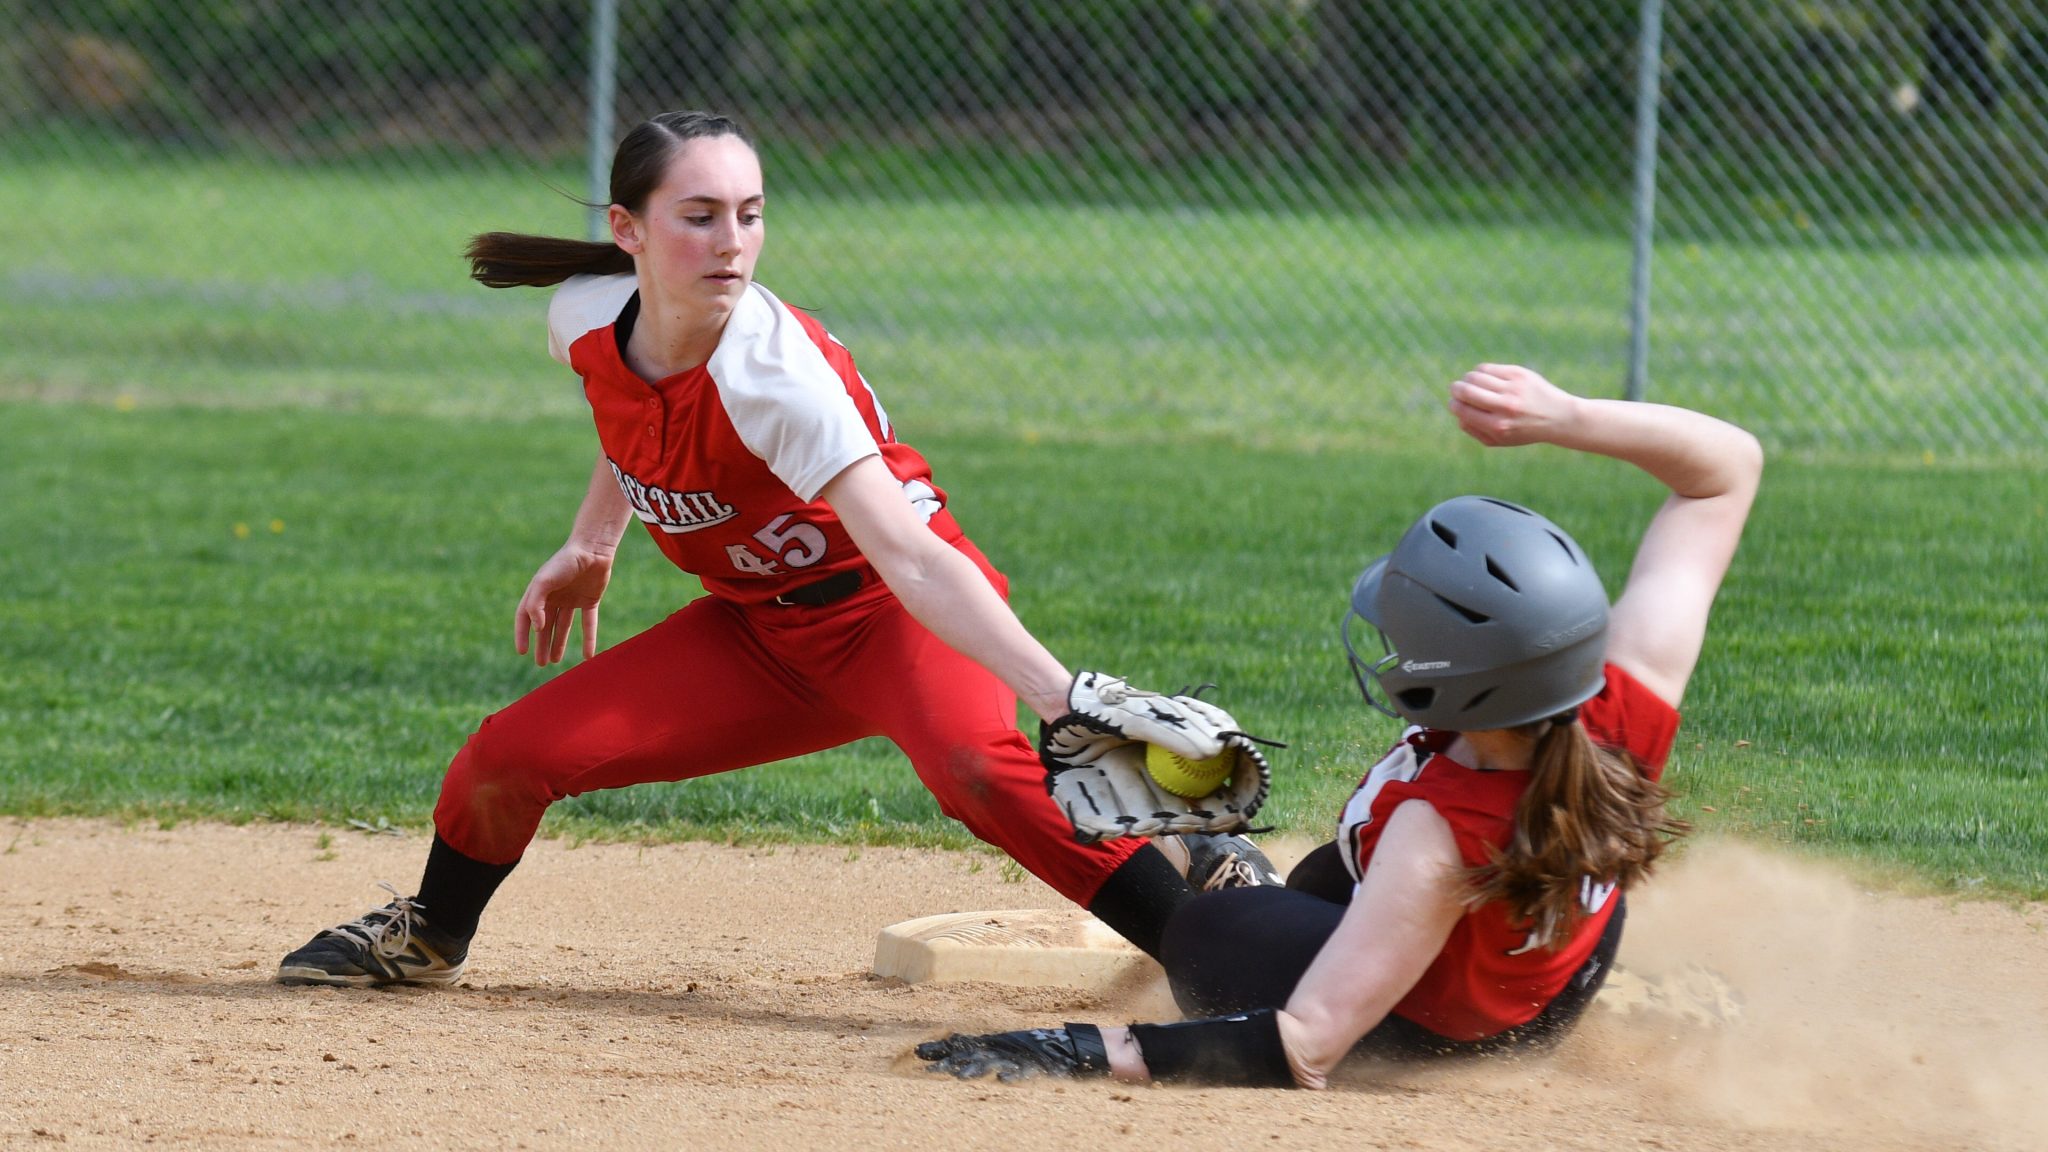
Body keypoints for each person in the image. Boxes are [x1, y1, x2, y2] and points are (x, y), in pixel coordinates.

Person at [275, 110, 1275, 988]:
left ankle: (1208, 946)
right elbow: (626, 415)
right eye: (699, 214)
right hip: (758, 636)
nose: (733, 241)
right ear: (627, 230)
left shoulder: (773, 378)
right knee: (506, 757)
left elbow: (915, 560)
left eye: (749, 213)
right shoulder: (583, 316)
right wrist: (592, 538)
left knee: (977, 766)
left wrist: (1064, 696)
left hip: (890, 614)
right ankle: (430, 935)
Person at [918, 363, 1763, 1087]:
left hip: (1440, 1030)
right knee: (1328, 878)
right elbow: (1727, 467)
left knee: (1204, 930)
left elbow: (1306, 1047)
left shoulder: (1434, 836)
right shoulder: (1627, 691)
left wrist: (1083, 1051)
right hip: (1556, 980)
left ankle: (1305, 948)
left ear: (1454, 688)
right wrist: (1565, 416)